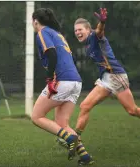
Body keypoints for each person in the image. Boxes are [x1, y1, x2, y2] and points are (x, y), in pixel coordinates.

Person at [73, 8, 140, 146]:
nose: (78, 33)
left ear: (88, 29)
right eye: (76, 31)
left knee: (132, 110)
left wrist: (102, 22)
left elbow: (99, 31)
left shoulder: (94, 36)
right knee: (85, 106)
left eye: (80, 30)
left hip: (115, 76)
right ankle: (75, 140)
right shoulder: (87, 45)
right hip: (106, 79)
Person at [31, 8, 94, 166]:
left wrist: (50, 78)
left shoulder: (42, 32)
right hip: (75, 82)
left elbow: (51, 54)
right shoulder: (58, 35)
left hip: (62, 81)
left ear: (36, 21)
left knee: (37, 116)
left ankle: (69, 138)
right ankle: (85, 156)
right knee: (62, 124)